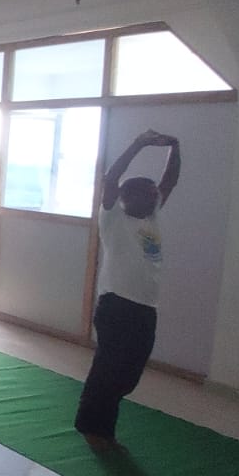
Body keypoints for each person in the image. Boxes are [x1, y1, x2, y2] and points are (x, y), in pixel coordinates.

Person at [76, 129, 181, 452]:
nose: (153, 197)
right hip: (116, 306)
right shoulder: (113, 219)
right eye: (147, 194)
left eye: (153, 195)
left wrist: (174, 147)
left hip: (146, 308)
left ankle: (102, 428)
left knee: (128, 375)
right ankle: (94, 428)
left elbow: (170, 182)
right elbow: (111, 179)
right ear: (126, 198)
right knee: (108, 370)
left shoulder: (152, 219)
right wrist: (138, 144)